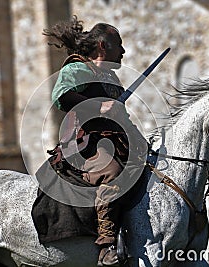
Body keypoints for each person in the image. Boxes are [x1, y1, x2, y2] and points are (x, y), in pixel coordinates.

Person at [43, 16, 147, 266]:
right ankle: (107, 245)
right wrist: (99, 106)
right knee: (112, 173)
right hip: (85, 144)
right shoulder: (76, 69)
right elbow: (62, 98)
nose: (123, 50)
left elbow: (121, 116)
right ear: (103, 45)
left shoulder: (112, 79)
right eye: (119, 45)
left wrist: (141, 142)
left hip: (116, 140)